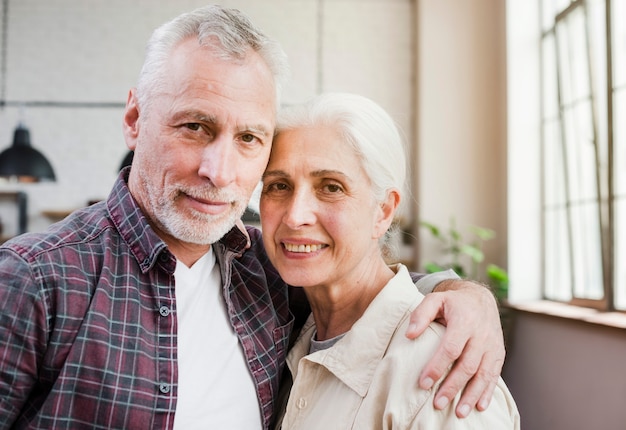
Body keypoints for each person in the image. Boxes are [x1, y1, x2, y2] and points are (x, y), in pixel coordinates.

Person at [0, 5, 504, 430]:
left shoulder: (265, 271)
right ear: (135, 120)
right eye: (195, 127)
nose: (218, 172)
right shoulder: (31, 281)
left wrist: (461, 294)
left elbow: (360, 284)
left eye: (249, 139)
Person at [262, 92, 520, 429]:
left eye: (331, 187)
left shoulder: (438, 371)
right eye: (279, 185)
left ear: (383, 211)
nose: (295, 216)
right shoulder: (289, 329)